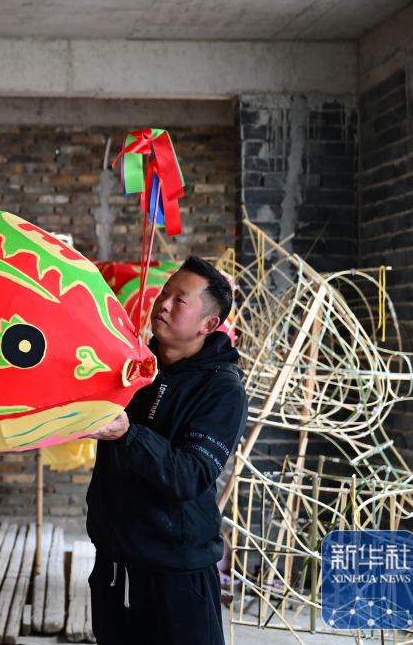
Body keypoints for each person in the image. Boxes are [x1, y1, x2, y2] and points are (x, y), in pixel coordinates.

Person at [85, 256, 247, 645]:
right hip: (114, 563)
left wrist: (128, 435)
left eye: (180, 300)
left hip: (176, 572)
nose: (164, 303)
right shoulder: (134, 368)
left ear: (208, 324)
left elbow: (190, 475)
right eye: (165, 293)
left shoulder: (222, 389)